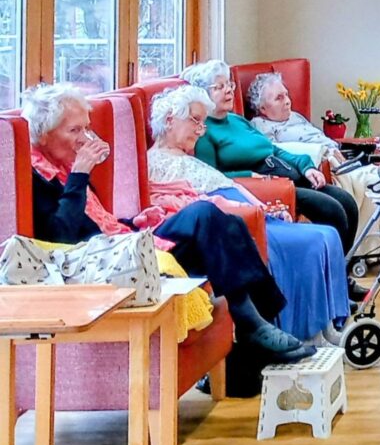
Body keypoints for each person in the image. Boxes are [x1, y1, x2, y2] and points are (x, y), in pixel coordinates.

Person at [21, 83, 313, 363]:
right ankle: (254, 323)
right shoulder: (36, 176)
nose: (85, 137)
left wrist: (133, 220)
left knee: (226, 224)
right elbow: (61, 237)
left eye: (87, 127)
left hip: (124, 244)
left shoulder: (66, 168)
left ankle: (258, 324)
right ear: (42, 134)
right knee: (204, 215)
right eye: (75, 130)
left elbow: (99, 223)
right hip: (105, 268)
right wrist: (80, 175)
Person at [147, 86, 350, 345]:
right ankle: (299, 330)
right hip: (235, 220)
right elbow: (197, 203)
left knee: (329, 231)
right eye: (195, 121)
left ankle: (326, 322)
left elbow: (230, 185)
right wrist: (256, 210)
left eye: (202, 123)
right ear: (169, 120)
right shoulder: (157, 164)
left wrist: (264, 207)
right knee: (312, 240)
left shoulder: (199, 148)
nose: (200, 129)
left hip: (248, 211)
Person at [180, 61, 367, 302]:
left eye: (229, 84)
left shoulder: (237, 121)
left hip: (286, 173)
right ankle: (332, 290)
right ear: (203, 94)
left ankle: (340, 278)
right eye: (219, 87)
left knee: (347, 203)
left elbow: (274, 149)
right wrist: (250, 176)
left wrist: (306, 165)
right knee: (333, 211)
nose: (229, 90)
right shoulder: (206, 132)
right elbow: (212, 177)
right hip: (268, 187)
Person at [247, 71, 379, 249]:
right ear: (262, 108)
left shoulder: (295, 116)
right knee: (374, 184)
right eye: (279, 98)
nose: (287, 101)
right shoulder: (260, 126)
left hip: (340, 160)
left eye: (286, 95)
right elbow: (273, 152)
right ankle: (367, 248)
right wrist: (325, 152)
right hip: (325, 168)